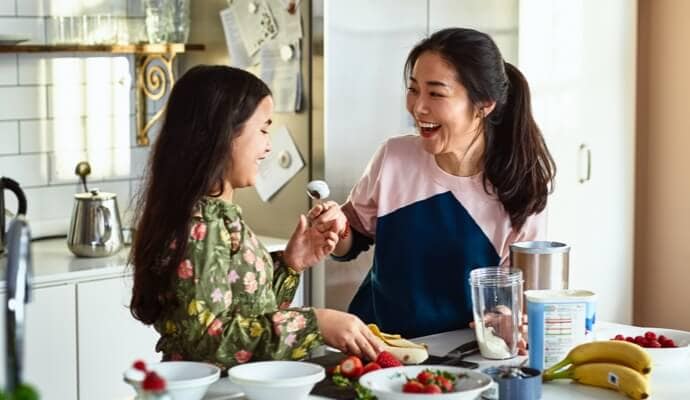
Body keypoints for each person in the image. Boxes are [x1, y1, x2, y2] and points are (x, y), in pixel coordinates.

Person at [129, 65, 383, 369]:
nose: (268, 145)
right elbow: (209, 342)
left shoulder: (219, 216)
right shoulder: (201, 226)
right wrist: (314, 324)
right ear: (222, 134)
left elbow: (246, 315)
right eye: (263, 129)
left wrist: (290, 264)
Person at [310, 28, 556, 339]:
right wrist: (335, 228)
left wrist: (507, 318)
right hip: (378, 346)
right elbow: (354, 236)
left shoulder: (521, 188)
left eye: (436, 93)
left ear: (483, 104)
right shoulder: (394, 156)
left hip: (461, 353)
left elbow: (513, 298)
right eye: (414, 89)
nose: (418, 107)